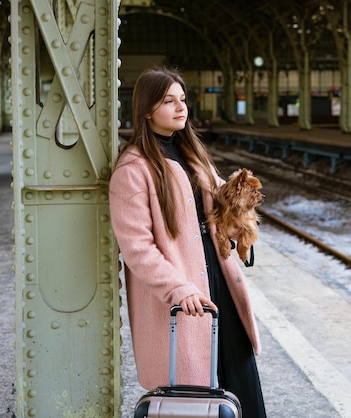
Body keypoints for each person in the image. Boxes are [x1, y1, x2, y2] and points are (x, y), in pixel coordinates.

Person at [109, 66, 267, 417]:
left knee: (242, 391)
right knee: (195, 399)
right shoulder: (133, 170)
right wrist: (179, 290)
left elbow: (216, 217)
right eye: (168, 101)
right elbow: (137, 248)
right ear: (147, 109)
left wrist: (238, 222)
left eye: (182, 99)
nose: (181, 107)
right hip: (184, 300)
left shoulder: (193, 155)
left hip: (219, 287)